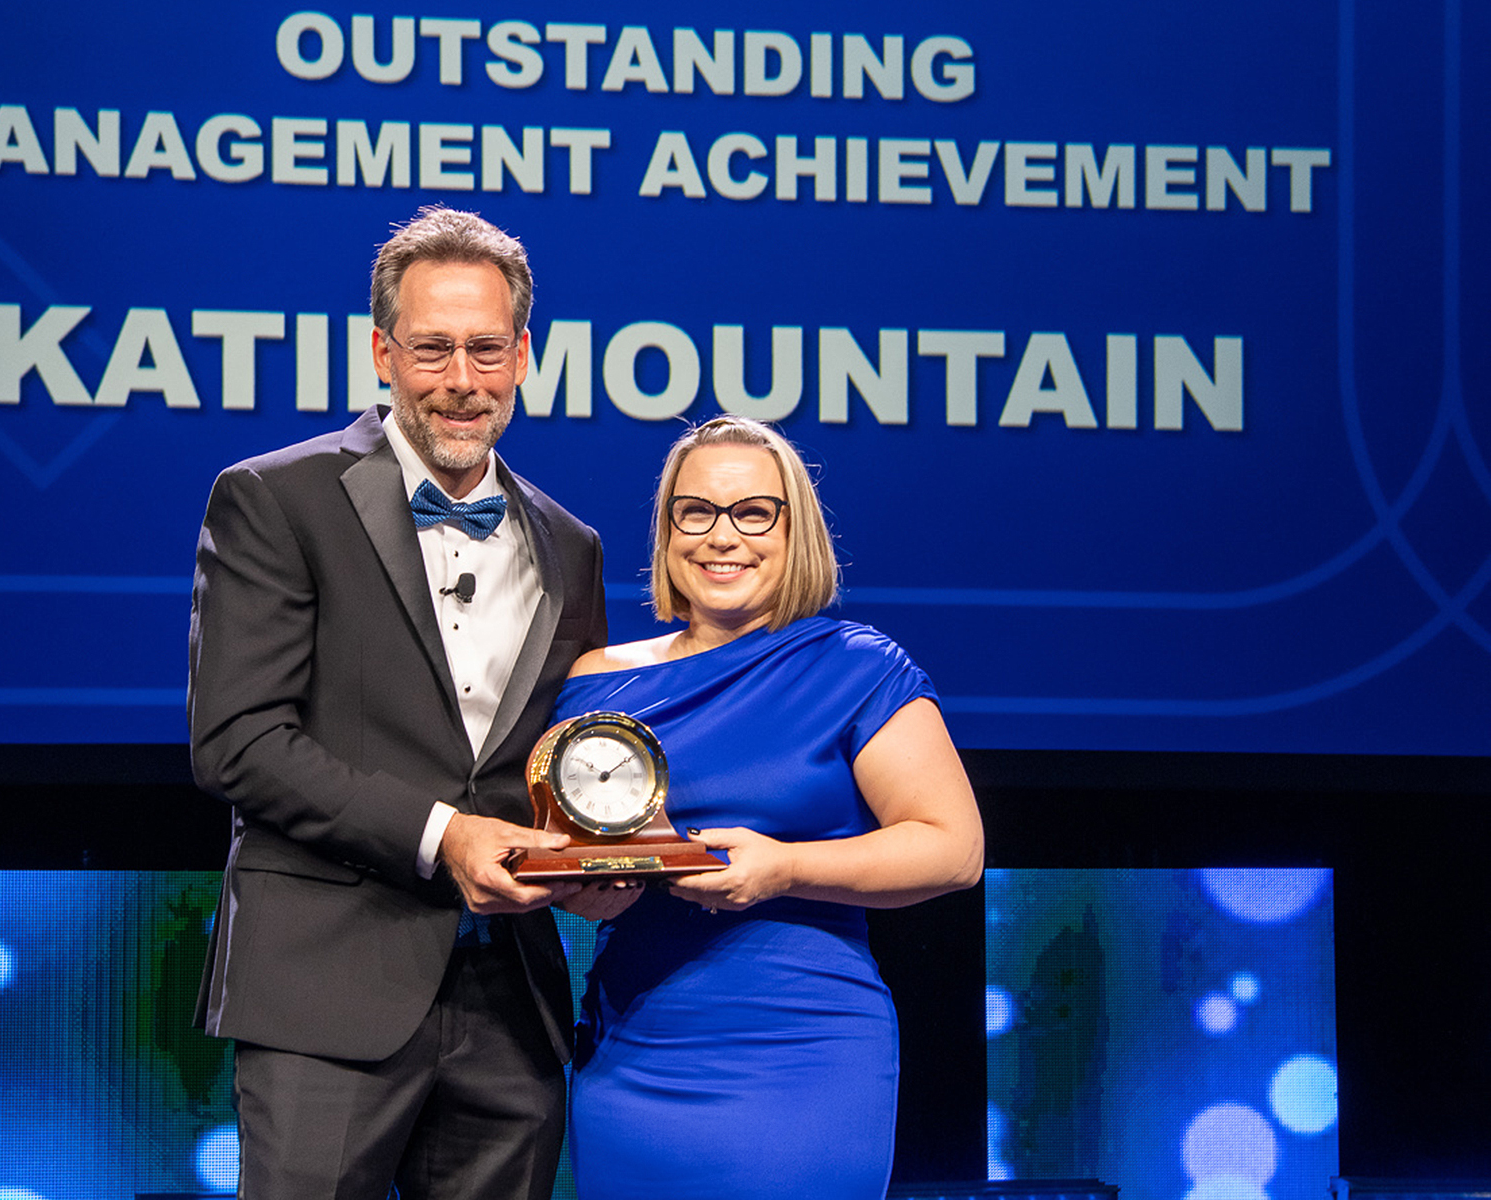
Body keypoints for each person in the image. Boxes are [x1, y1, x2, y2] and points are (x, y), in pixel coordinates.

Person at [187, 206, 607, 1199]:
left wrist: (609, 856)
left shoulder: (570, 545)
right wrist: (442, 835)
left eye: (486, 349)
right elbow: (237, 741)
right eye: (432, 349)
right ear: (382, 351)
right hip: (326, 996)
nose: (462, 381)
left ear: (523, 354)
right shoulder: (274, 498)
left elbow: (566, 763)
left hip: (513, 1004)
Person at [555, 415, 984, 1199]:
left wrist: (781, 868)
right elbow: (583, 852)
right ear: (667, 529)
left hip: (802, 1049)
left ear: (795, 532)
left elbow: (953, 849)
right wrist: (593, 892)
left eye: (754, 513)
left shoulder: (857, 667)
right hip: (633, 1050)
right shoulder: (596, 681)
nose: (724, 537)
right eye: (697, 512)